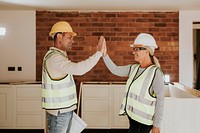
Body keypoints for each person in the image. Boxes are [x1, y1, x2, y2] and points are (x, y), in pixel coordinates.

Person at [41, 21, 105, 133]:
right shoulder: (54, 58)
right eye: (70, 37)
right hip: (59, 114)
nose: (73, 40)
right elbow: (79, 69)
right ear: (59, 37)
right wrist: (98, 53)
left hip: (62, 112)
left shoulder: (59, 56)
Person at [102, 33, 165, 133]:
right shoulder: (134, 68)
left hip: (144, 123)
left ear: (147, 51)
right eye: (134, 49)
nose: (133, 52)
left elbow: (160, 100)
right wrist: (104, 55)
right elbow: (115, 70)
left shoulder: (156, 73)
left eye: (137, 49)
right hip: (133, 118)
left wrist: (156, 125)